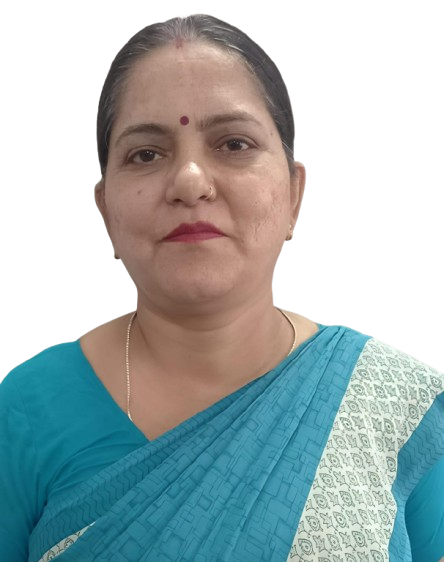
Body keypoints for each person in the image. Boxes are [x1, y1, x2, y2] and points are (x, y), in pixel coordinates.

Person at [0, 13, 443, 562]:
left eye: (233, 143)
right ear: (105, 209)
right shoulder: (23, 410)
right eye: (146, 154)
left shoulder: (396, 401)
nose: (189, 181)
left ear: (295, 193)